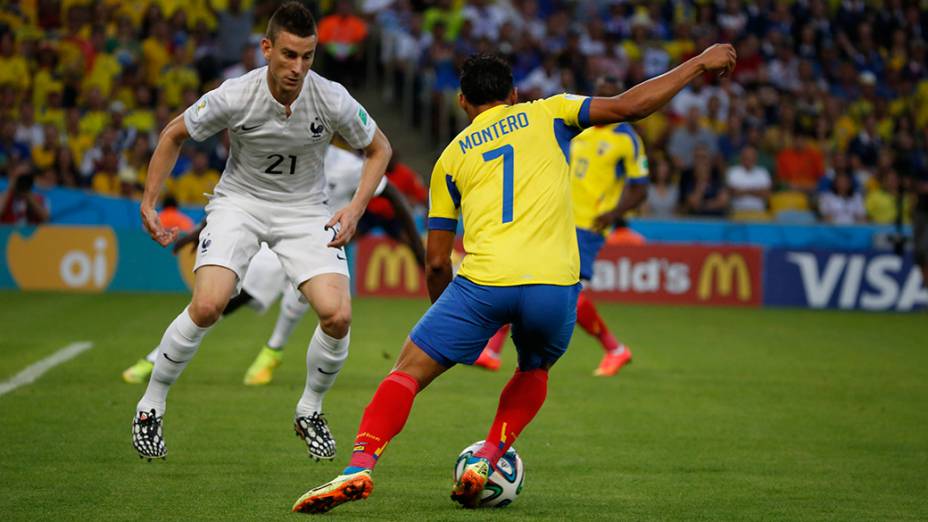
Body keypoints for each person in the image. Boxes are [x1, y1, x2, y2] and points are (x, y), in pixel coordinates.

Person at [291, 44, 736, 514]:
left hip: (482, 285)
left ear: (462, 102)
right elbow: (632, 106)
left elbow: (437, 260)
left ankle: (359, 466)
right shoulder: (551, 113)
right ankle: (490, 454)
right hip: (553, 285)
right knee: (534, 368)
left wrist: (446, 318)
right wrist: (698, 63)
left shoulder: (450, 158)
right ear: (514, 93)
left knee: (405, 374)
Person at [130, 2, 392, 463]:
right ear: (266, 48)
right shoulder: (236, 94)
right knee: (209, 305)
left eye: (308, 56)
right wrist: (150, 201)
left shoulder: (330, 97)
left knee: (337, 316)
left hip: (306, 210)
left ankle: (310, 410)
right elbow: (174, 133)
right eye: (289, 55)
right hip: (240, 203)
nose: (298, 67)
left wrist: (354, 208)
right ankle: (151, 404)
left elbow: (379, 148)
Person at [121, 146, 425, 387]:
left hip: (319, 246)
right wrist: (199, 230)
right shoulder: (285, 152)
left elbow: (394, 197)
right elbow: (237, 195)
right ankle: (156, 357)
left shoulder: (348, 165)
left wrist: (420, 253)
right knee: (223, 299)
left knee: (311, 302)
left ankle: (272, 352)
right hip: (277, 238)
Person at [474, 76, 649, 377]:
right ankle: (492, 349)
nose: (606, 99)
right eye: (601, 94)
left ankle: (614, 349)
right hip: (555, 218)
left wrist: (612, 214)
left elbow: (640, 187)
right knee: (524, 278)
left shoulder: (626, 137)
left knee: (568, 294)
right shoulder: (579, 128)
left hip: (588, 225)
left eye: (612, 95)